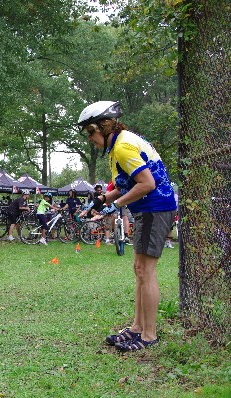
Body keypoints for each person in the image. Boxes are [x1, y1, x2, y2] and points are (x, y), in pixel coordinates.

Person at [78, 100, 176, 352]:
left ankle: (149, 335)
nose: (90, 138)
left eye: (91, 132)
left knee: (146, 271)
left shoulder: (122, 148)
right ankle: (136, 328)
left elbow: (147, 183)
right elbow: (125, 184)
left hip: (155, 207)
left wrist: (115, 204)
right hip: (147, 209)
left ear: (105, 125)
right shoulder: (118, 147)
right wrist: (101, 200)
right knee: (139, 269)